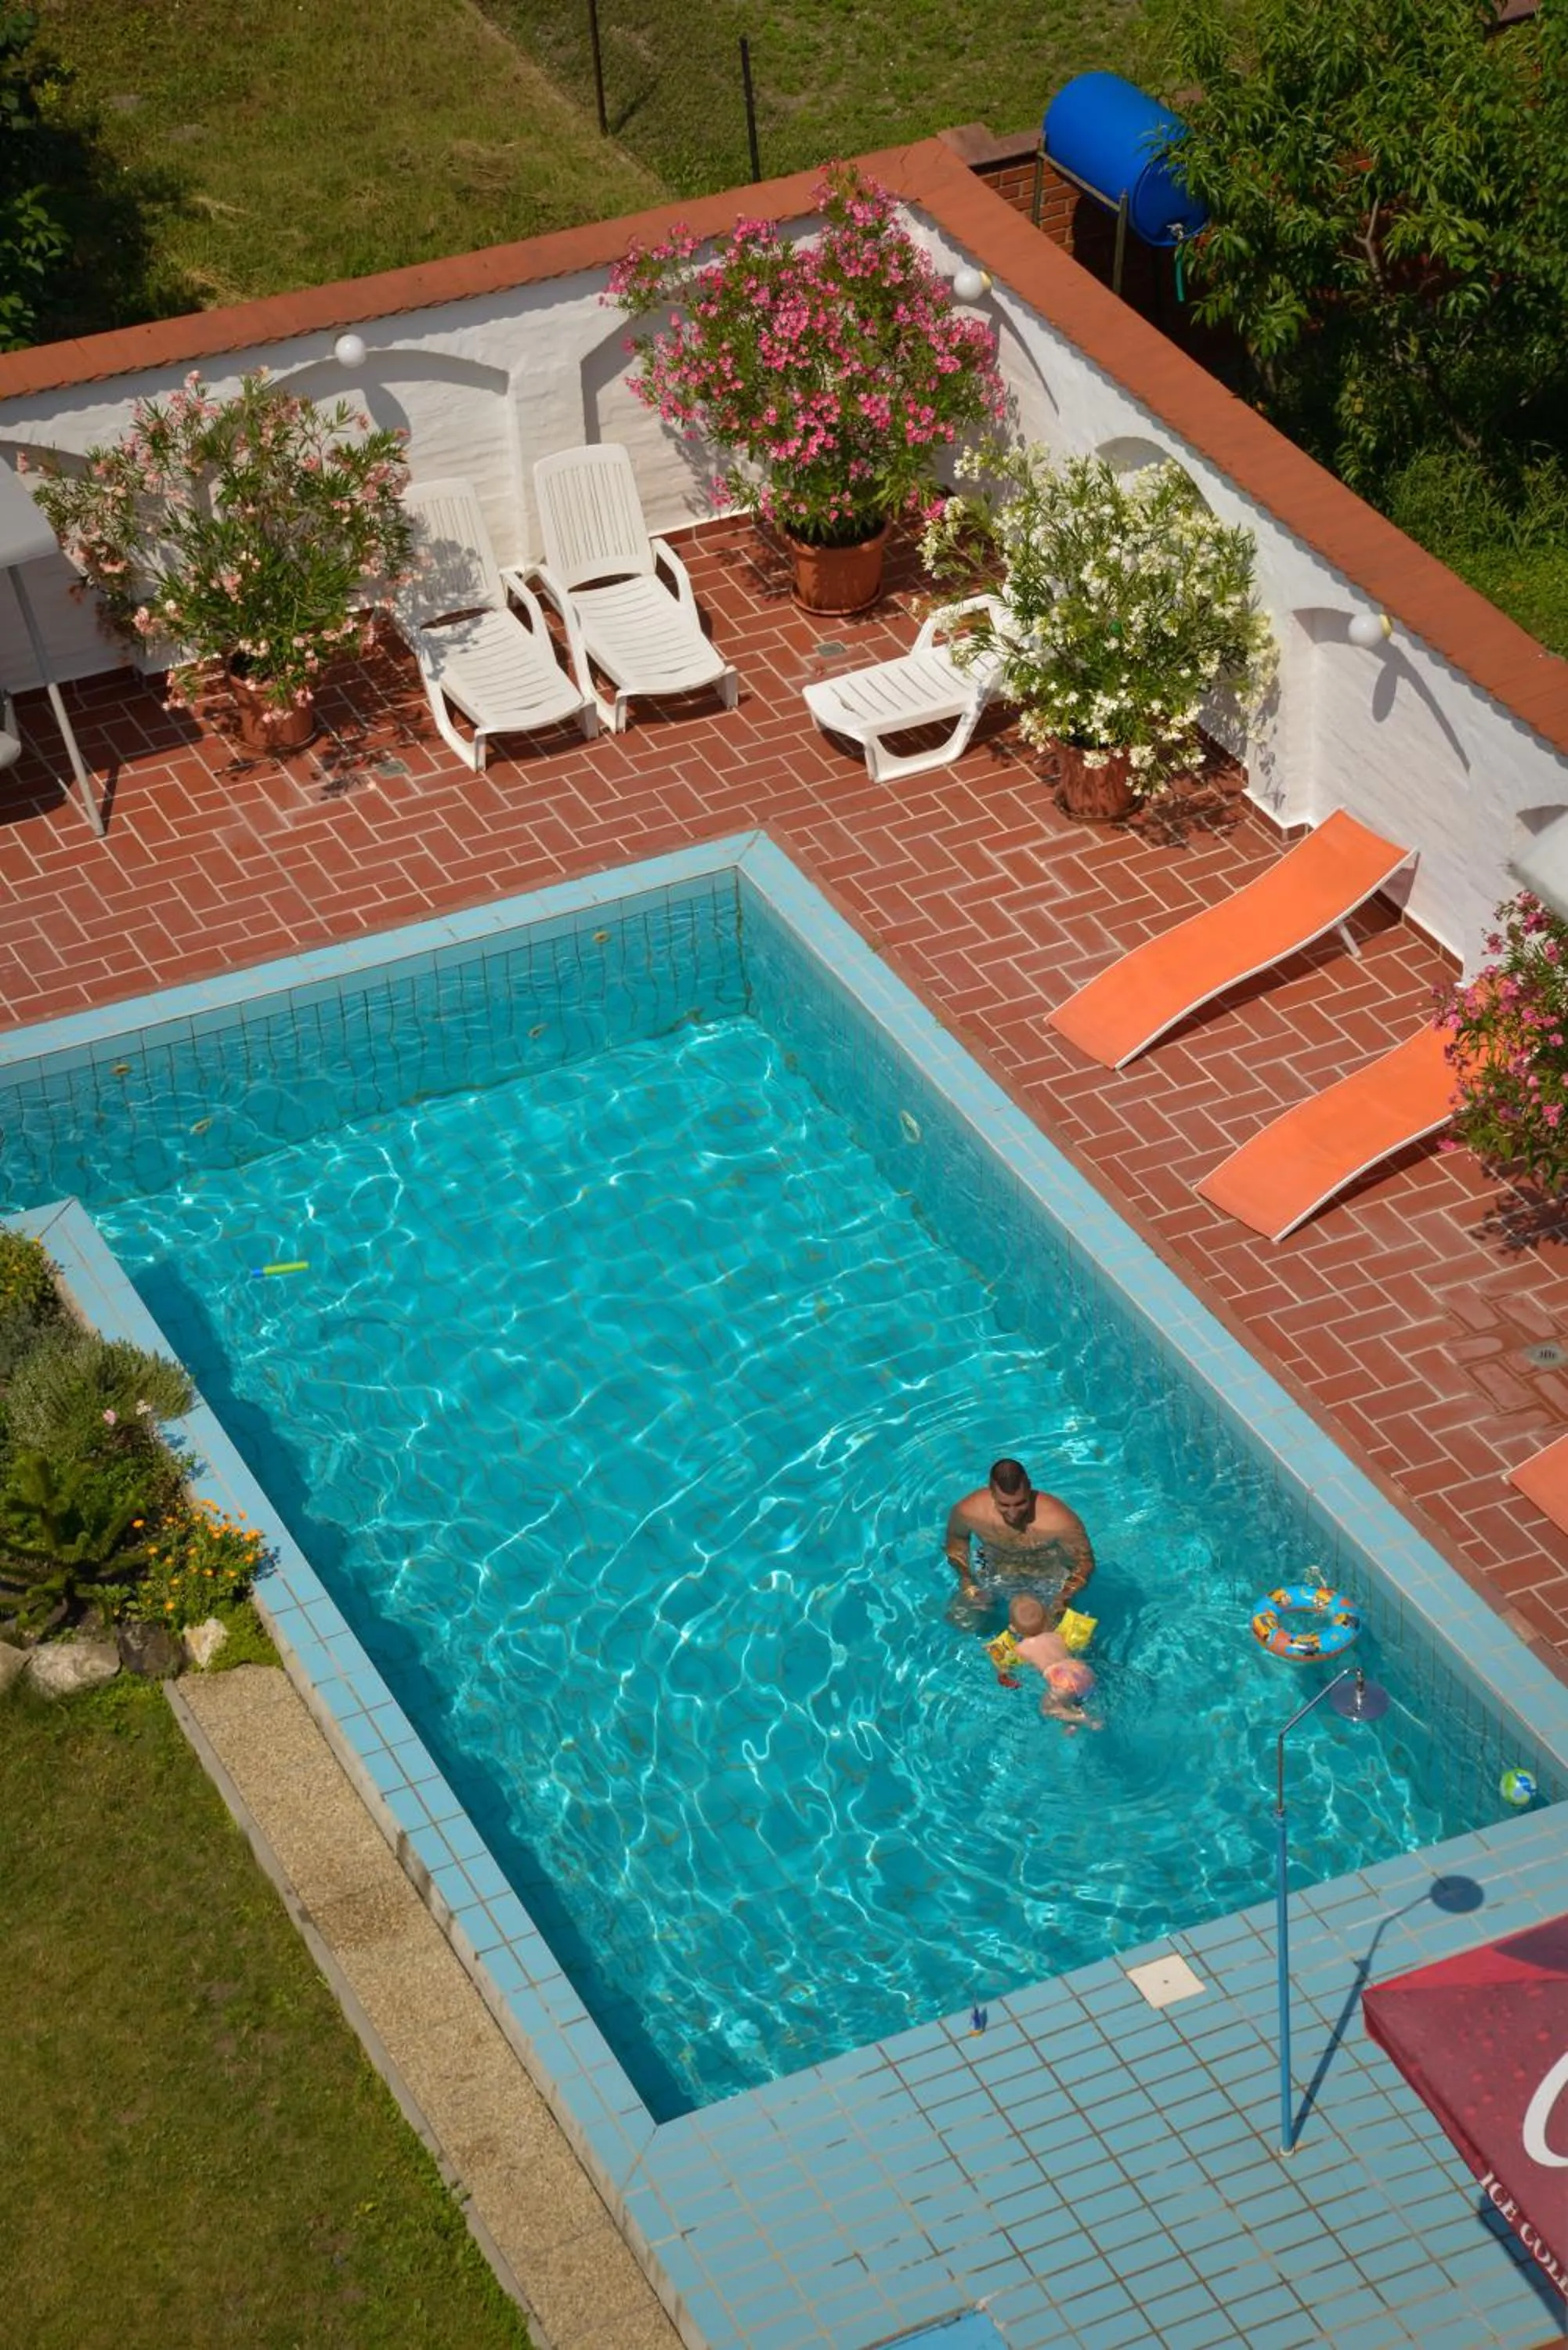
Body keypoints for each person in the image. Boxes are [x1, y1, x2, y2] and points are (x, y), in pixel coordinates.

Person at [945, 1456, 1095, 1617]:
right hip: (992, 1567)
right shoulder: (968, 1512)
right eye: (1004, 1505)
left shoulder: (1059, 1520)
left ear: (1029, 1487)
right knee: (961, 1617)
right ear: (991, 1491)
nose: (1013, 1514)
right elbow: (957, 1542)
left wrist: (1064, 1595)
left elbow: (1084, 1562)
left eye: (1020, 1503)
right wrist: (967, 1580)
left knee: (1051, 1629)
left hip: (1046, 1575)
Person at [995, 1593, 1100, 1726]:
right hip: (1081, 1669)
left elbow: (1006, 1668)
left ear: (1013, 1628)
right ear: (1047, 1620)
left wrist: (1003, 1674)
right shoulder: (1057, 1636)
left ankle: (1082, 1719)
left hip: (1060, 1679)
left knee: (1047, 1709)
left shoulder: (1020, 1649)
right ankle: (1073, 1723)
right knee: (1074, 1697)